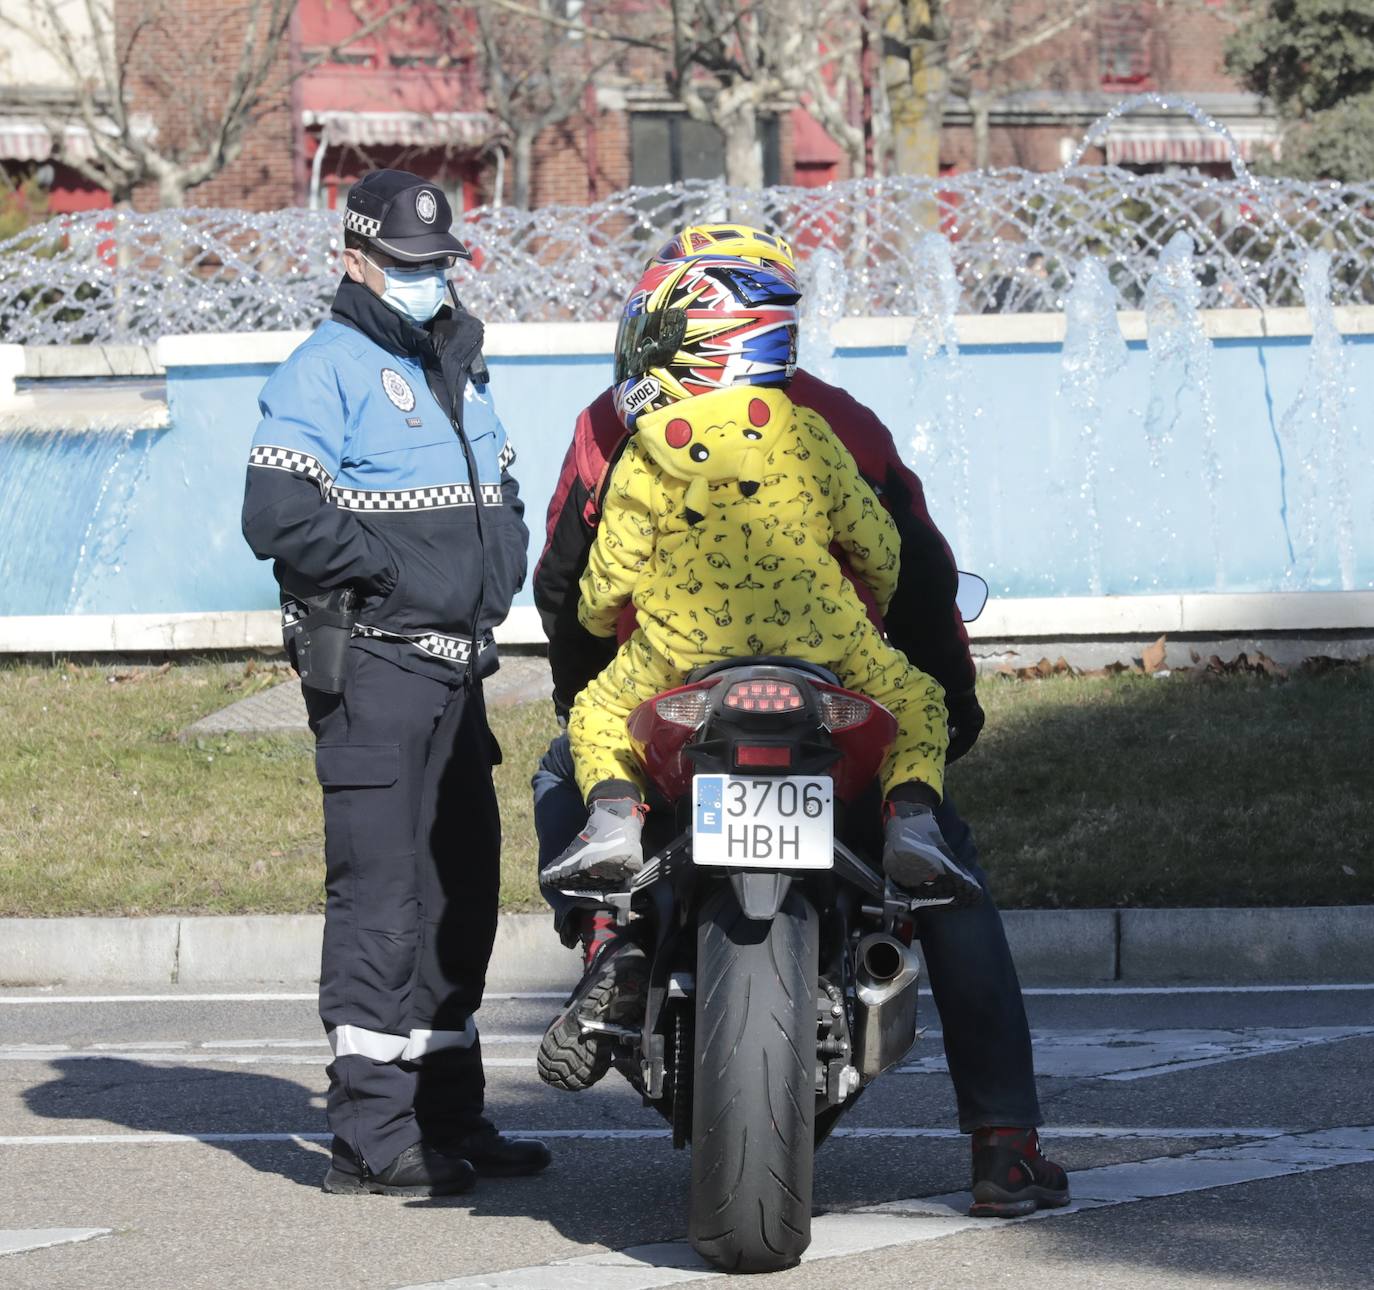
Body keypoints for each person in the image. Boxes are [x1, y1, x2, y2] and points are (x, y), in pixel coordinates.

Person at [530, 223, 1068, 1219]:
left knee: (564, 776)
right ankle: (1006, 1144)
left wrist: (586, 704)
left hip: (671, 711)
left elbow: (568, 589)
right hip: (841, 713)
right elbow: (915, 576)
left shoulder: (613, 426)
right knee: (951, 882)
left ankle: (612, 940)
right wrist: (950, 704)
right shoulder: (830, 422)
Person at [241, 169, 550, 1197]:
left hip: (458, 672)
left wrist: (496, 570)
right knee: (381, 901)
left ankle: (448, 1113)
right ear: (356, 259)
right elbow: (276, 518)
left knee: (459, 893)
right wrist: (392, 572)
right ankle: (370, 1135)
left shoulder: (459, 365)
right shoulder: (322, 369)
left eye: (438, 265)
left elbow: (498, 492)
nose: (427, 282)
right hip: (372, 667)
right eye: (408, 266)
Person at [541, 254, 979, 905]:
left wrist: (602, 624)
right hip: (828, 649)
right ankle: (911, 820)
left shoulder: (641, 444)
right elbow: (886, 549)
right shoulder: (817, 431)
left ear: (711, 350)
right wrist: (883, 621)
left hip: (676, 660)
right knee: (918, 704)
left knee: (595, 717)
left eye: (661, 342)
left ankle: (612, 833)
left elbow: (599, 578)